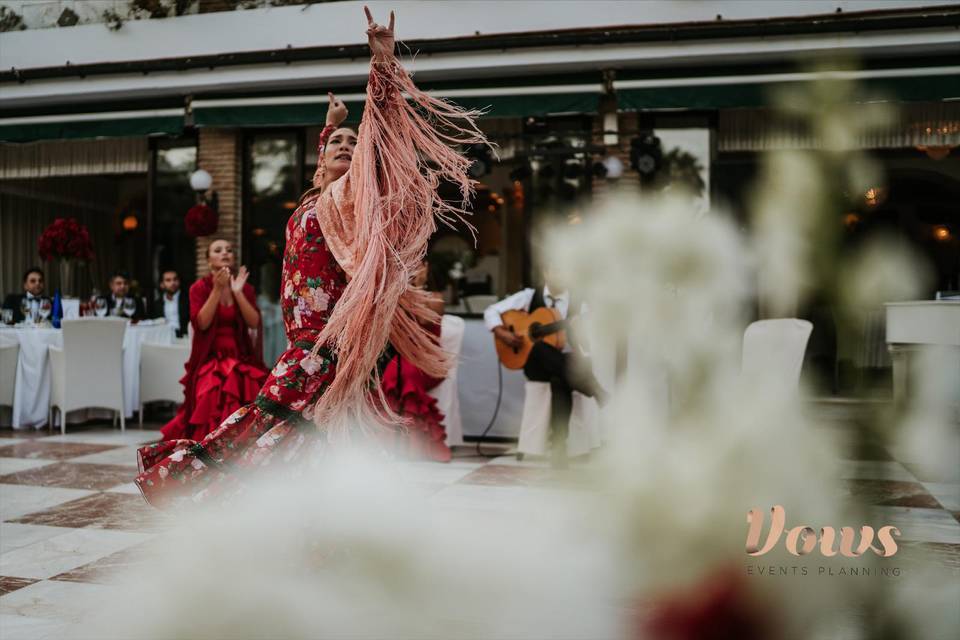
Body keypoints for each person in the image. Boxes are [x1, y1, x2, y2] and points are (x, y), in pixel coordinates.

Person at [134, 6, 487, 508]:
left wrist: (382, 64)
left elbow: (378, 132)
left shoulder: (353, 202)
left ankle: (239, 501)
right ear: (319, 163)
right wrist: (329, 126)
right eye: (336, 145)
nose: (347, 146)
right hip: (310, 342)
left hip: (330, 342)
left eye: (353, 144)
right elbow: (329, 164)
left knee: (285, 420)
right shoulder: (313, 201)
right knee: (305, 431)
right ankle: (305, 513)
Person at [484, 266, 607, 466]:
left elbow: (588, 345)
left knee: (560, 379)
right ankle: (594, 388)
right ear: (546, 273)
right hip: (535, 365)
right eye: (556, 270)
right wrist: (502, 332)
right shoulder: (529, 296)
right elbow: (492, 311)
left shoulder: (580, 303)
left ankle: (559, 448)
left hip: (569, 361)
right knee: (540, 347)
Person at [158, 239, 268, 443]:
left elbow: (254, 323)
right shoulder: (199, 288)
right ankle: (212, 446)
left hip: (240, 357)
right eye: (218, 250)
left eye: (229, 250)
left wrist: (237, 293)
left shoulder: (244, 287)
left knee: (254, 387)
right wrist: (217, 290)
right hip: (210, 358)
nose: (225, 253)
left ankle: (242, 446)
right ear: (209, 260)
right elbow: (202, 324)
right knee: (212, 388)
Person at [381, 258, 451, 462]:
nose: (413, 271)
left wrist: (417, 287)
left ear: (426, 267)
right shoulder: (400, 297)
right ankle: (393, 440)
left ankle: (417, 444)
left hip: (429, 363)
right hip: (405, 359)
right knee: (393, 372)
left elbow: (423, 319)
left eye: (418, 266)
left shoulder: (436, 298)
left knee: (407, 374)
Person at [151, 269, 190, 338]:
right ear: (162, 284)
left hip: (183, 337)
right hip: (163, 337)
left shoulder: (188, 299)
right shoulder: (157, 303)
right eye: (168, 280)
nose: (173, 283)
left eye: (175, 279)